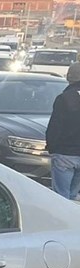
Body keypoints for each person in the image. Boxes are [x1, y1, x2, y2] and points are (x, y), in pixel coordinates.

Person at [46, 62, 80, 200]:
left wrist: (51, 147)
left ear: (69, 77)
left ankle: (62, 220)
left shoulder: (64, 98)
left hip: (64, 154)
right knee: (72, 196)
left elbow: (56, 126)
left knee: (61, 197)